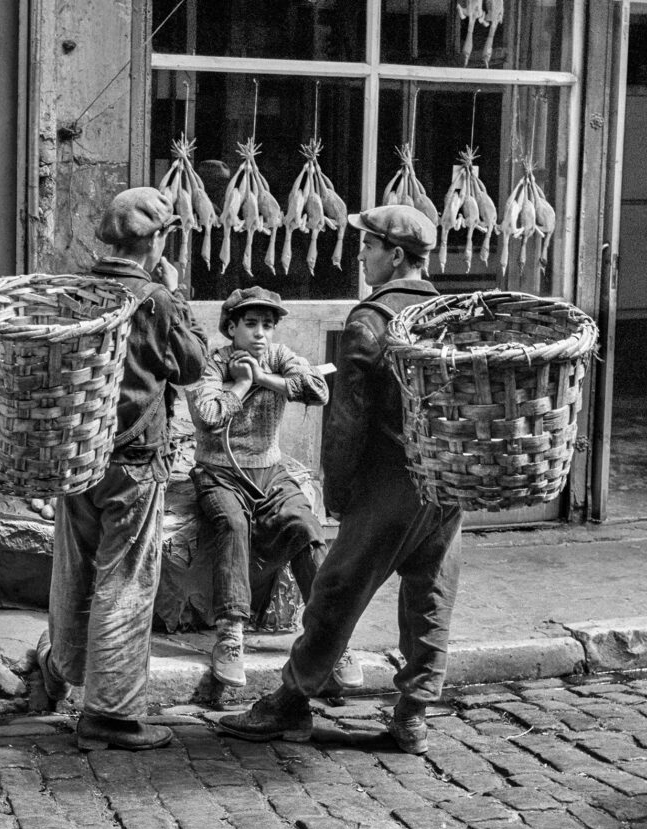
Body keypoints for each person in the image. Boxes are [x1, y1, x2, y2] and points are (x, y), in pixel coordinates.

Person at [218, 205, 463, 754]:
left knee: (336, 589)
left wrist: (339, 489)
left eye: (368, 245)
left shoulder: (370, 319)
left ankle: (289, 703)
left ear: (395, 255)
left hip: (389, 478)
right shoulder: (446, 311)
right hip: (445, 480)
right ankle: (413, 716)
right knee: (431, 592)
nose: (360, 254)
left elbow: (348, 414)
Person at [35, 186, 208, 751]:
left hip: (78, 454)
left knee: (73, 571)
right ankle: (110, 713)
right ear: (154, 240)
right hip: (134, 460)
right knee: (126, 581)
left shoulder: (80, 290)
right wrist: (175, 296)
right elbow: (190, 366)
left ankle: (59, 673)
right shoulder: (155, 298)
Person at [186, 286, 363, 691]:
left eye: (268, 324)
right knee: (232, 524)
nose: (261, 333)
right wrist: (243, 385)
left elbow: (319, 391)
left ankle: (332, 638)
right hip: (219, 472)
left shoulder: (279, 357)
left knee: (304, 526)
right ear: (231, 327)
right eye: (251, 324)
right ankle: (231, 635)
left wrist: (265, 377)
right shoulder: (212, 363)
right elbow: (209, 416)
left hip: (270, 471)